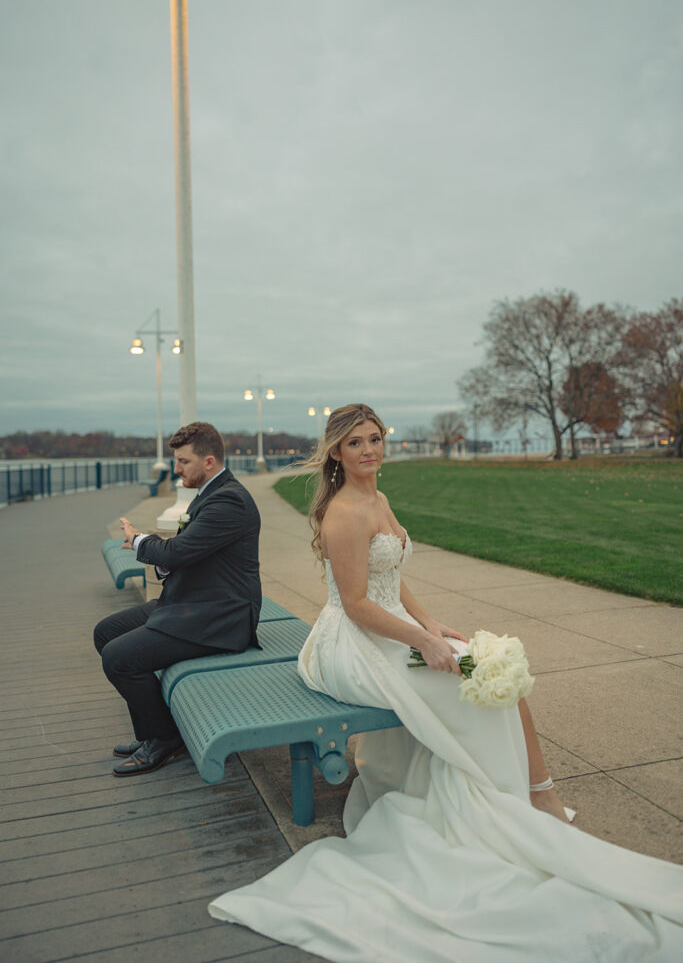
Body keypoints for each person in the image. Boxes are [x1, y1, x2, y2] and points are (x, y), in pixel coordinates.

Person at [208, 404, 682, 962]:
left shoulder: (379, 499)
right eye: (356, 443)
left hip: (394, 629)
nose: (369, 450)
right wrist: (423, 643)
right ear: (336, 452)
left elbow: (393, 579)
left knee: (494, 668)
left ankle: (538, 796)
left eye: (375, 439)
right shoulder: (343, 513)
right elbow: (357, 604)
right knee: (468, 680)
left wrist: (432, 625)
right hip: (349, 645)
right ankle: (520, 801)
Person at [94, 421, 261, 777]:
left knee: (118, 658)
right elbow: (186, 555)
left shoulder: (229, 500)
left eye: (184, 461)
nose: (176, 469)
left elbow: (176, 552)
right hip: (192, 603)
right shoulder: (212, 494)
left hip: (219, 617)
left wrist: (141, 541)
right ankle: (151, 732)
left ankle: (165, 736)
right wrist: (161, 555)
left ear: (210, 462)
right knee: (105, 633)